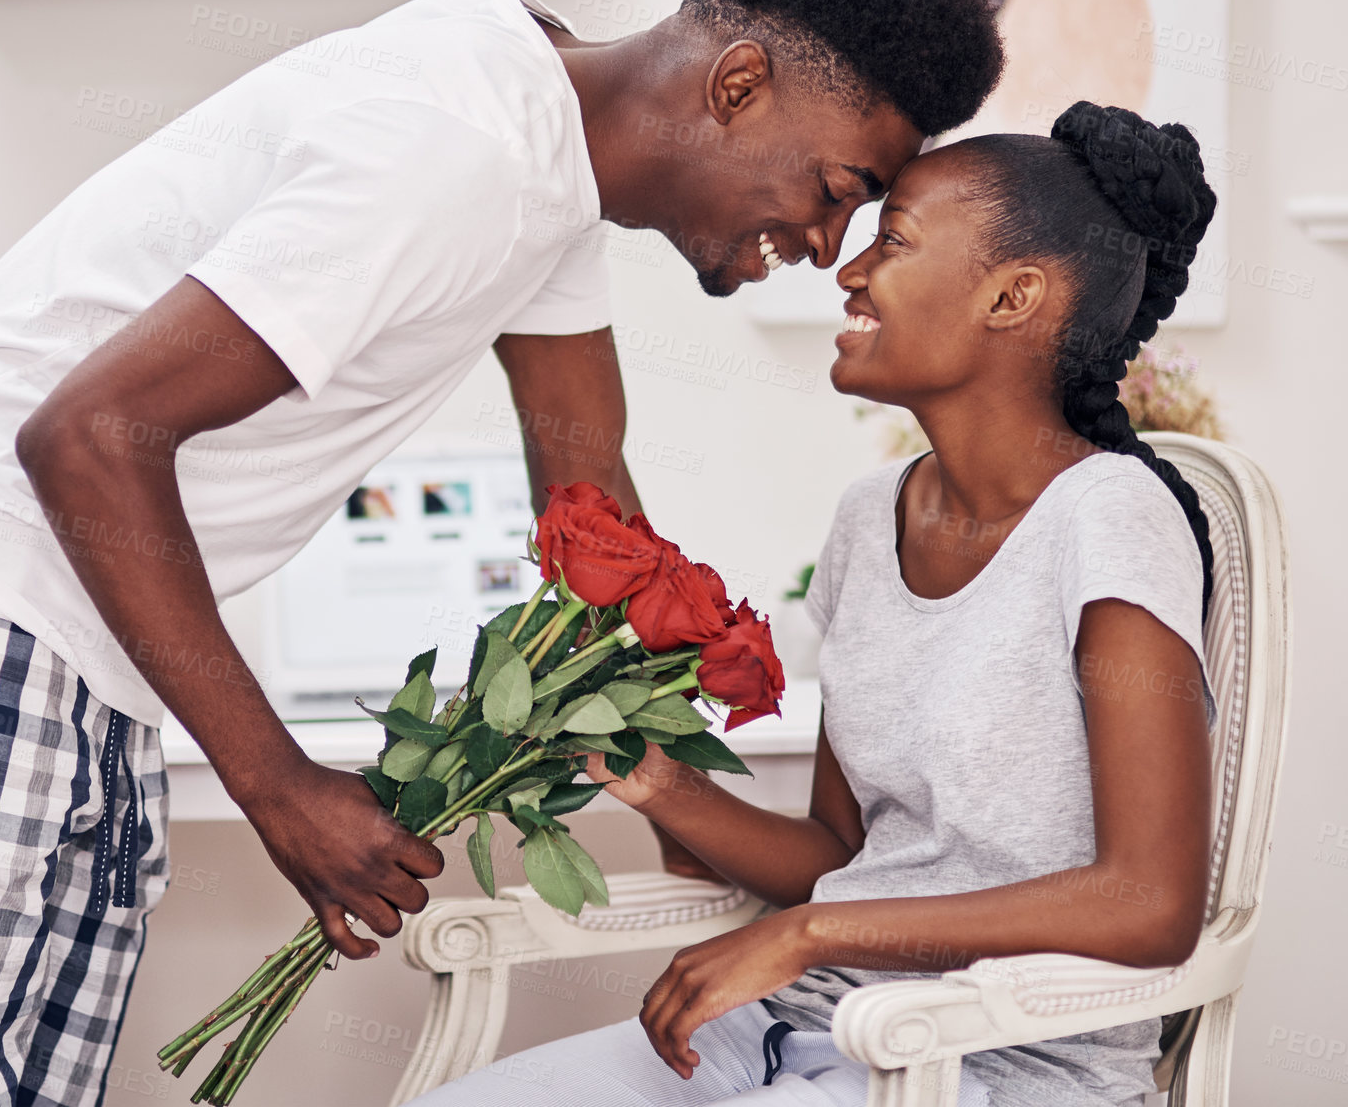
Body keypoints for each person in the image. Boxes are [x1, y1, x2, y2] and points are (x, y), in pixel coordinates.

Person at [0, 0, 1004, 1103]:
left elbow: (588, 496)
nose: (829, 244)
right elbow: (88, 435)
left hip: (70, 626)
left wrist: (657, 766)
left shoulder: (548, 148)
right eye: (839, 189)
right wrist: (281, 786)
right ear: (738, 86)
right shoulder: (455, 146)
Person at [406, 103, 1219, 1107]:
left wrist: (809, 932)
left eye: (897, 241)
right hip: (791, 1030)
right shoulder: (871, 515)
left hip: (997, 1065)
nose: (848, 271)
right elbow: (838, 853)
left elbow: (1151, 901)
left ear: (1015, 296)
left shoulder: (1111, 517)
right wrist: (657, 782)